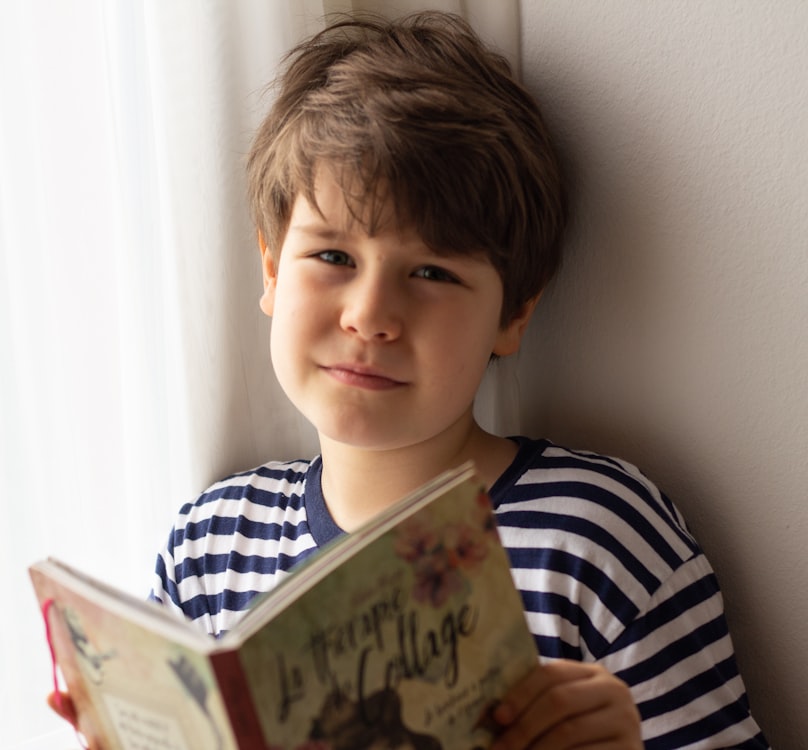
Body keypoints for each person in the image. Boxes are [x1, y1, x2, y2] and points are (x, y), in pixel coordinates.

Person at [50, 11, 769, 749]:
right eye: (332, 258)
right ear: (271, 270)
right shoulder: (209, 548)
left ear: (513, 315)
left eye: (430, 273)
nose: (370, 316)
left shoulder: (594, 538)